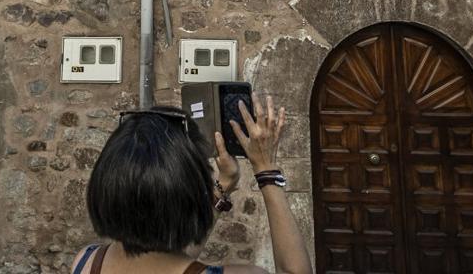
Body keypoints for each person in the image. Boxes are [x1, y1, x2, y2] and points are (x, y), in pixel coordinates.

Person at [74, 96, 311, 274]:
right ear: (192, 192)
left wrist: (225, 185)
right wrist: (266, 169)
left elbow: (173, 257)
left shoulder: (86, 262)